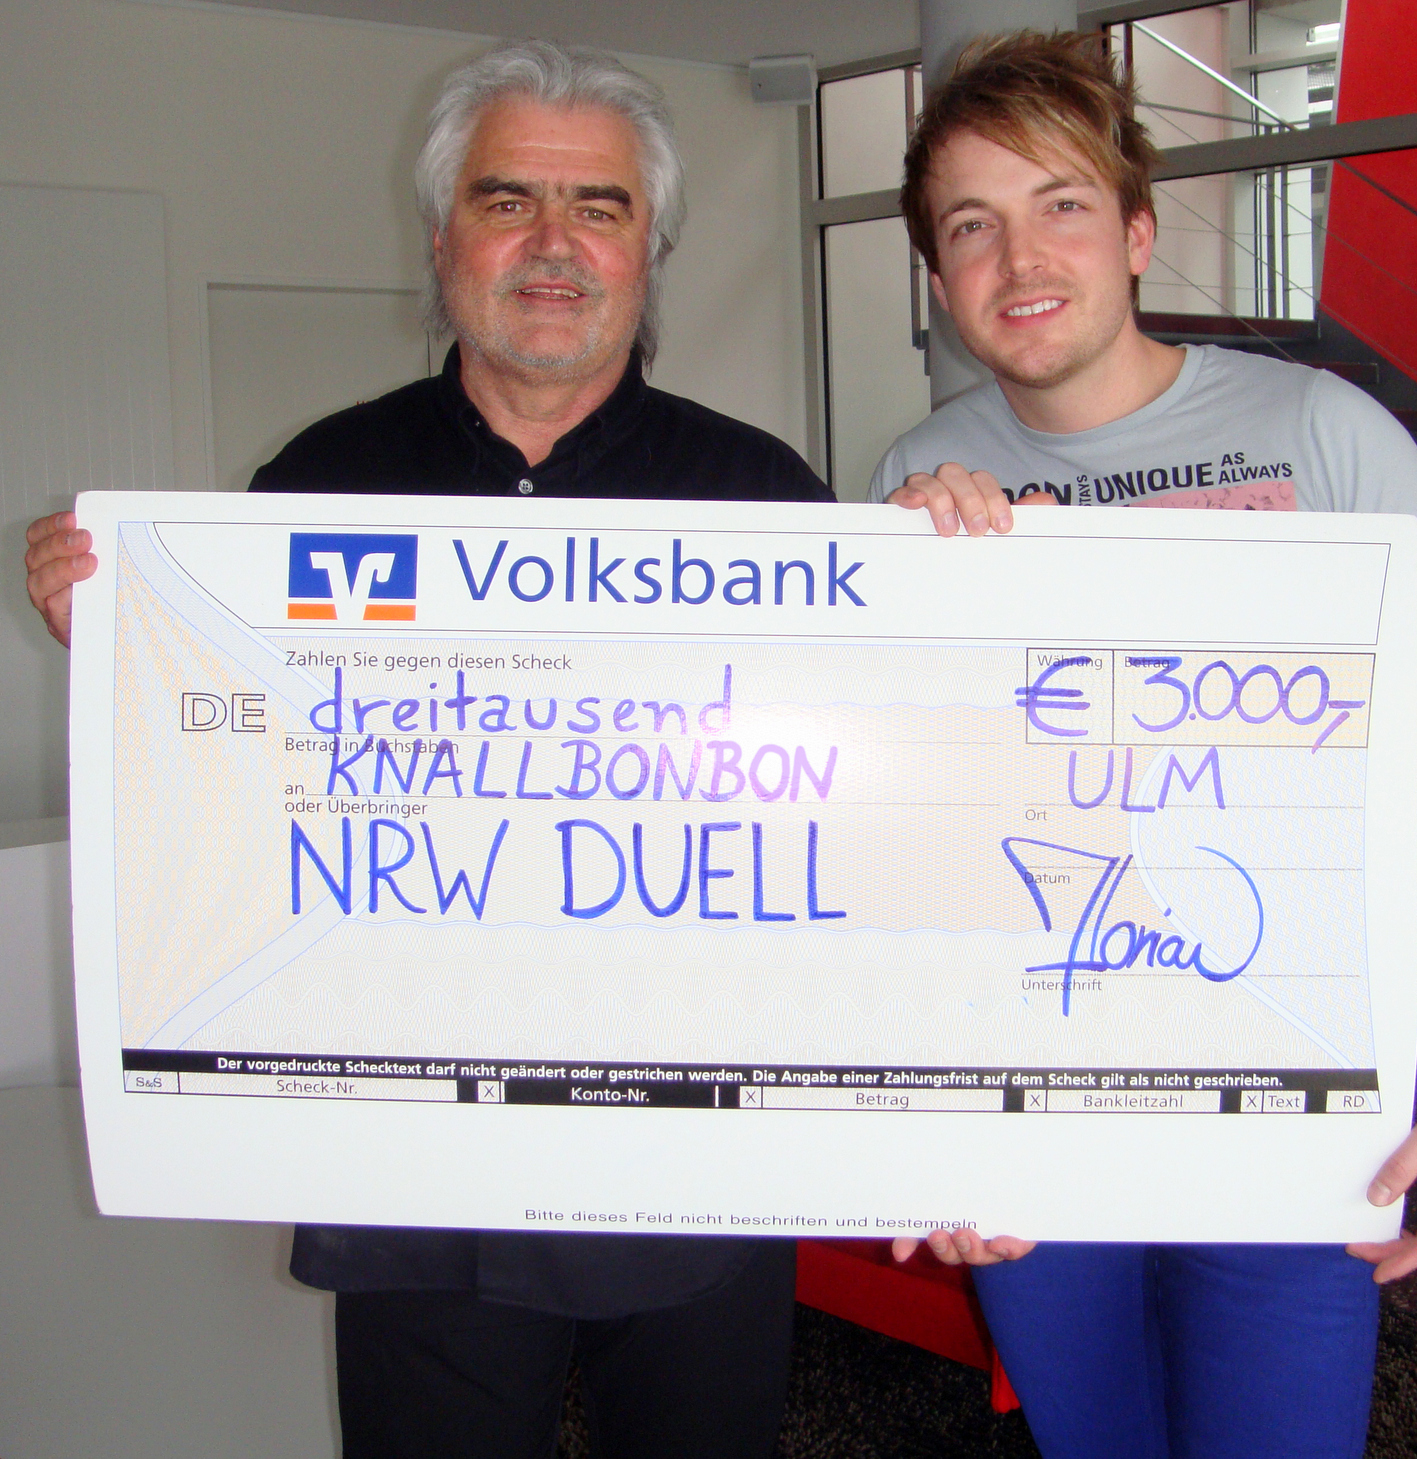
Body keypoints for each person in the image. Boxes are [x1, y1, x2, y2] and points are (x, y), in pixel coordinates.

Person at [24, 39, 830, 1459]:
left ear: (649, 251)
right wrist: (133, 657)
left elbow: (857, 813)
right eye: (506, 199)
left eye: (599, 207)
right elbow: (244, 790)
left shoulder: (770, 500)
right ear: (441, 239)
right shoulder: (312, 487)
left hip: (696, 1151)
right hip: (416, 1167)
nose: (553, 244)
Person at [872, 31, 1417, 1459]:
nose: (1019, 258)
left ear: (1136, 233)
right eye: (971, 226)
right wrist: (922, 1113)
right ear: (937, 276)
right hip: (1034, 1113)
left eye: (1061, 204)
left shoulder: (1324, 434)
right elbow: (900, 842)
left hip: (1289, 1102)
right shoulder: (915, 481)